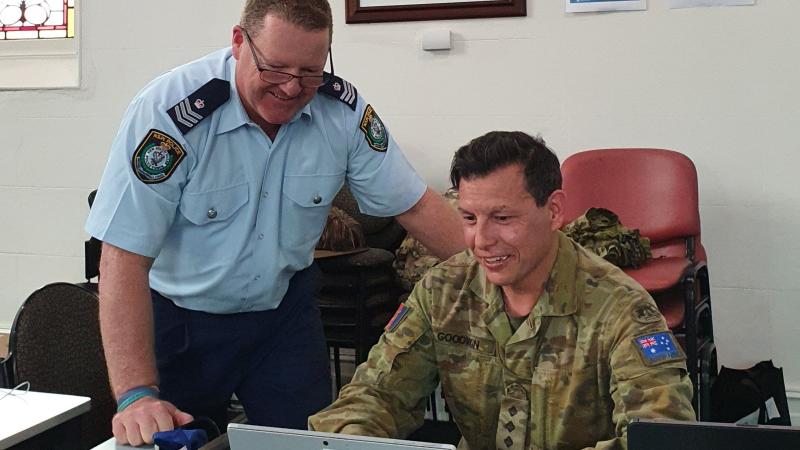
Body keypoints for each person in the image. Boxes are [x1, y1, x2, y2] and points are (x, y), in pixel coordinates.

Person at [85, 0, 464, 446]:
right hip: (179, 322)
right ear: (239, 42)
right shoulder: (171, 115)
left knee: (307, 441)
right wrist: (135, 394)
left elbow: (415, 205)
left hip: (282, 317)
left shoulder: (340, 111)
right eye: (275, 69)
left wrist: (503, 267)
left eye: (309, 71)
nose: (291, 87)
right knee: (163, 438)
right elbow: (123, 257)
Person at [308, 131, 696, 450]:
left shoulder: (620, 308)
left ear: (555, 211)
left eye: (503, 218)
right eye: (469, 218)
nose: (481, 240)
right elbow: (376, 394)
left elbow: (661, 435)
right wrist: (351, 439)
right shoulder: (444, 291)